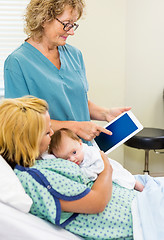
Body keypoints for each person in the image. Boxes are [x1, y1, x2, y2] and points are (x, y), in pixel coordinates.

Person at [0, 96, 137, 240]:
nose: (52, 134)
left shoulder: (38, 161)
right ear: (28, 140)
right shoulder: (34, 177)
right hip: (131, 221)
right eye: (47, 133)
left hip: (133, 204)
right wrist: (106, 167)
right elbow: (98, 202)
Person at [4, 0, 131, 145]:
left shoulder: (74, 55)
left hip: (82, 149)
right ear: (44, 19)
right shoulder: (18, 63)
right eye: (66, 24)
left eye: (73, 24)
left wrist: (106, 113)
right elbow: (22, 122)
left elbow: (76, 101)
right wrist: (75, 127)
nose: (71, 31)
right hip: (49, 152)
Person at [47, 128, 144, 191]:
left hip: (111, 168)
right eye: (66, 158)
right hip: (104, 177)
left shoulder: (90, 153)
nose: (72, 159)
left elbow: (99, 166)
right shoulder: (73, 156)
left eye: (74, 153)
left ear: (80, 143)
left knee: (128, 179)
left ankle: (142, 188)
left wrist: (87, 173)